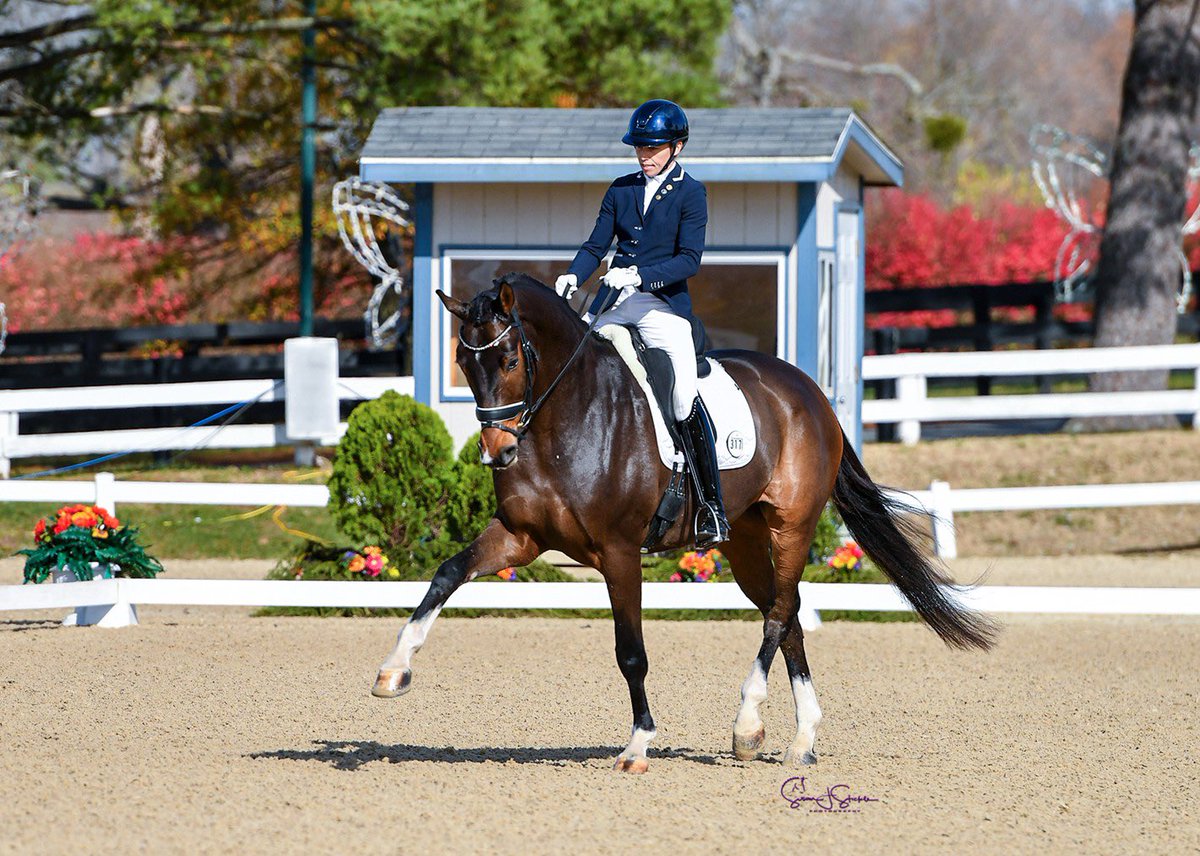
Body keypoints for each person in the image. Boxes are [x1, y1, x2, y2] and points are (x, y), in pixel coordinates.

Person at [555, 99, 729, 546]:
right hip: (615, 302)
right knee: (573, 364)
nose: (644, 155)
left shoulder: (692, 194)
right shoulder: (622, 189)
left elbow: (689, 260)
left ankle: (710, 505)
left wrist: (639, 276)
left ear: (677, 147)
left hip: (662, 307)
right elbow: (596, 245)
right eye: (640, 147)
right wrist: (574, 273)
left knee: (683, 397)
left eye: (653, 148)